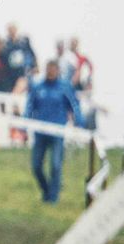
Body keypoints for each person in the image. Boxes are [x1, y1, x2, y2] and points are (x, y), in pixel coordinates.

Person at [23, 59, 83, 204]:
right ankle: (46, 190)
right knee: (36, 166)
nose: (50, 72)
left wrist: (79, 121)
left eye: (53, 69)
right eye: (48, 69)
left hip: (57, 133)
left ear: (57, 70)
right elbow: (30, 106)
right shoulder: (38, 87)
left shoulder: (65, 87)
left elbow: (74, 105)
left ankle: (53, 198)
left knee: (56, 165)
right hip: (40, 133)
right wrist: (23, 124)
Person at [66, 37, 96, 129]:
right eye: (71, 43)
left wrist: (88, 83)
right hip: (67, 90)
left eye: (74, 43)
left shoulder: (82, 58)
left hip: (78, 91)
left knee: (78, 111)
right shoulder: (65, 58)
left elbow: (90, 69)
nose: (73, 45)